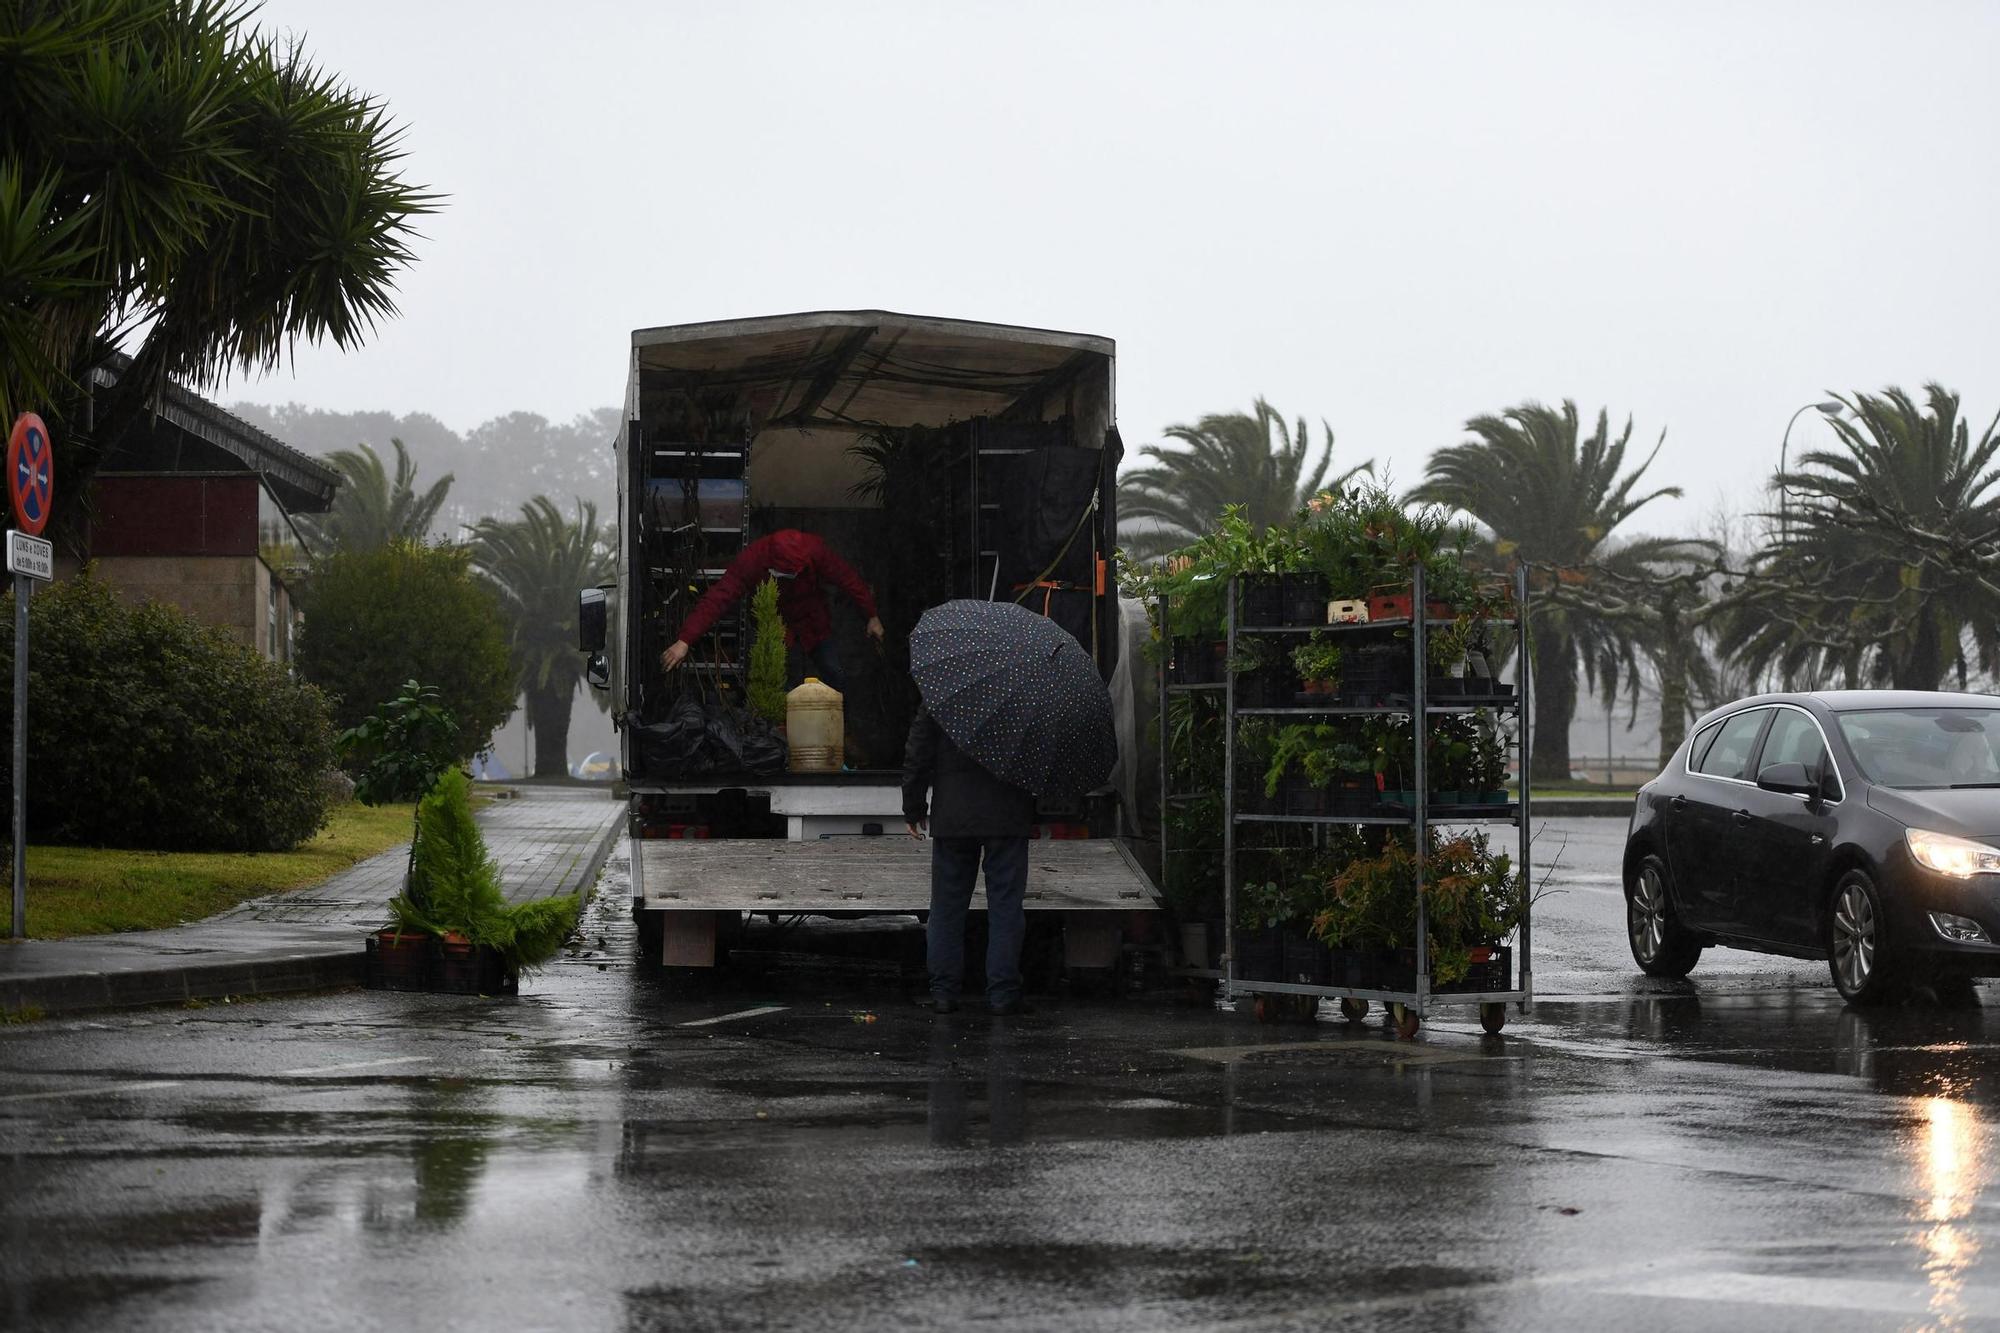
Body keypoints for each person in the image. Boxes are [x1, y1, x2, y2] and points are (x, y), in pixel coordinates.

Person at [902, 706, 1038, 1016]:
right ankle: (1003, 993)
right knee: (1005, 906)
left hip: (954, 815)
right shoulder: (1026, 699)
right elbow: (1039, 760)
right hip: (1007, 813)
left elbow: (917, 753)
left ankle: (943, 992)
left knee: (947, 905)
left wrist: (913, 806)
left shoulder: (945, 693)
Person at [660, 529, 884, 690]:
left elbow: (848, 579)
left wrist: (871, 615)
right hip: (774, 625)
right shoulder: (752, 561)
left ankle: (839, 730)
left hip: (813, 621)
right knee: (777, 681)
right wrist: (685, 640)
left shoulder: (815, 551)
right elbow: (717, 599)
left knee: (835, 674)